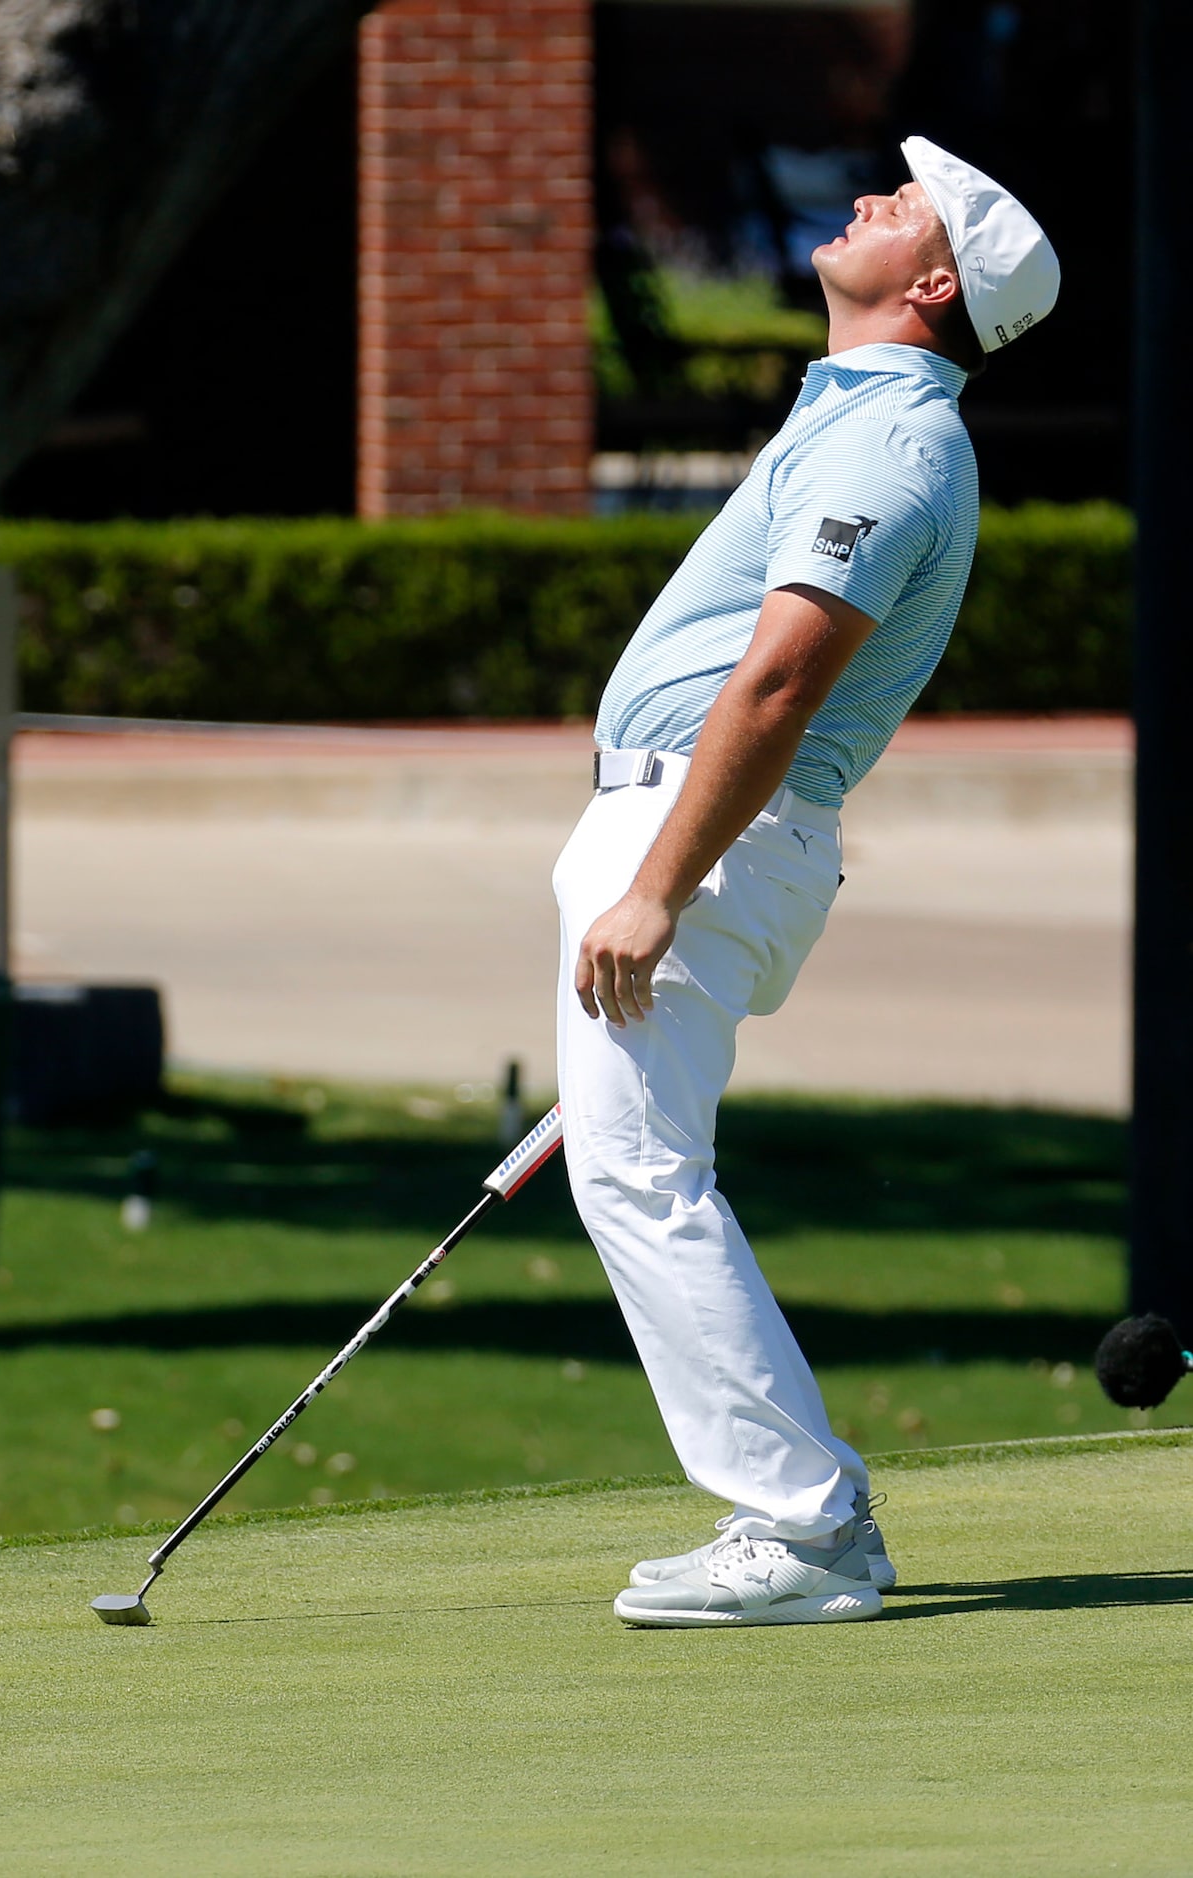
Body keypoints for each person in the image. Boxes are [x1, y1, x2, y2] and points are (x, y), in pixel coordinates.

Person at [554, 137, 1059, 1628]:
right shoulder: (856, 415)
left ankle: (808, 1521)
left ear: (934, 280)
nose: (860, 203)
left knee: (642, 1175)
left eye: (895, 207)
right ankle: (800, 1513)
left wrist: (655, 886)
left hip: (702, 840)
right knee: (630, 1159)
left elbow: (778, 682)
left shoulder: (891, 439)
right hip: (697, 839)